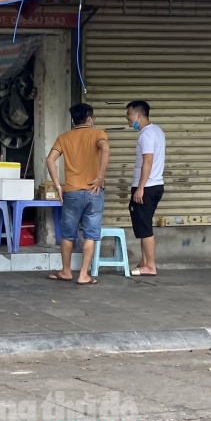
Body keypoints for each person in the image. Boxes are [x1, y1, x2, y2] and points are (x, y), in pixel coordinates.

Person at [45, 103, 110, 285]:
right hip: (94, 191)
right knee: (90, 234)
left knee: (68, 234)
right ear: (89, 119)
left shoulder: (64, 138)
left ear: (73, 120)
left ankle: (66, 271)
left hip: (72, 192)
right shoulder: (98, 134)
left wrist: (58, 187)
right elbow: (105, 149)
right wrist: (99, 177)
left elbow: (50, 160)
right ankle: (83, 275)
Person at [125, 101, 165, 277]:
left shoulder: (146, 135)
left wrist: (140, 187)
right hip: (155, 185)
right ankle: (144, 262)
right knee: (144, 225)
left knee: (145, 227)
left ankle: (150, 266)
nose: (127, 119)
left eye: (129, 115)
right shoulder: (158, 131)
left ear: (138, 115)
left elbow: (147, 162)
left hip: (147, 187)